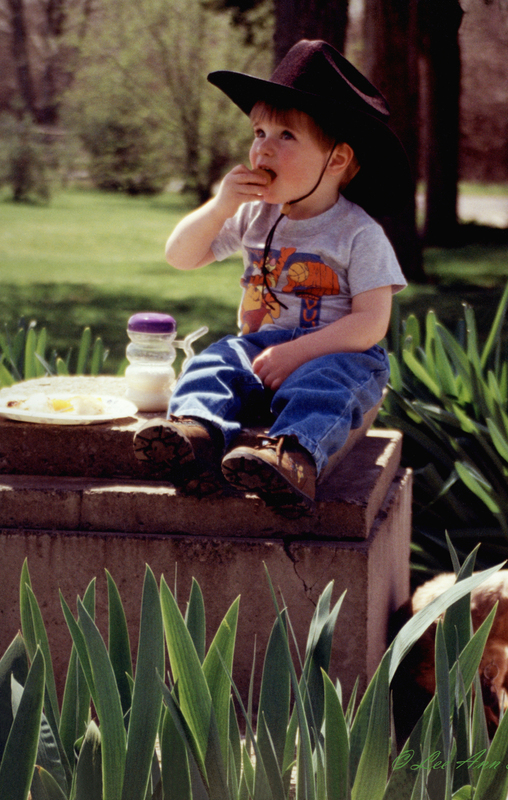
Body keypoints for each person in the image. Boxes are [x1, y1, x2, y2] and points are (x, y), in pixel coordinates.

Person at [133, 39, 412, 514]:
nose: (263, 147)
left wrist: (300, 351)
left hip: (339, 354)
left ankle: (292, 460)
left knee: (324, 387)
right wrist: (221, 206)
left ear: (337, 160)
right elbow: (181, 255)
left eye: (286, 136)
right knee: (216, 360)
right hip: (261, 351)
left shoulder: (357, 233)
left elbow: (371, 324)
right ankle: (196, 436)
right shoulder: (252, 217)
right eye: (259, 131)